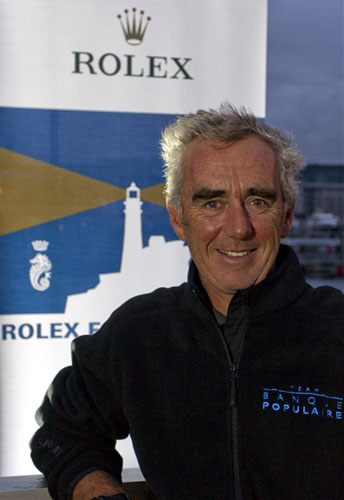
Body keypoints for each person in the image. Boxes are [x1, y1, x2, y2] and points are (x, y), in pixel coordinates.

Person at [30, 104, 344, 500]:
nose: (237, 228)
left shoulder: (337, 332)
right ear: (178, 217)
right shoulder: (139, 333)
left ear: (286, 215)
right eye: (211, 203)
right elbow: (61, 433)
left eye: (258, 201)